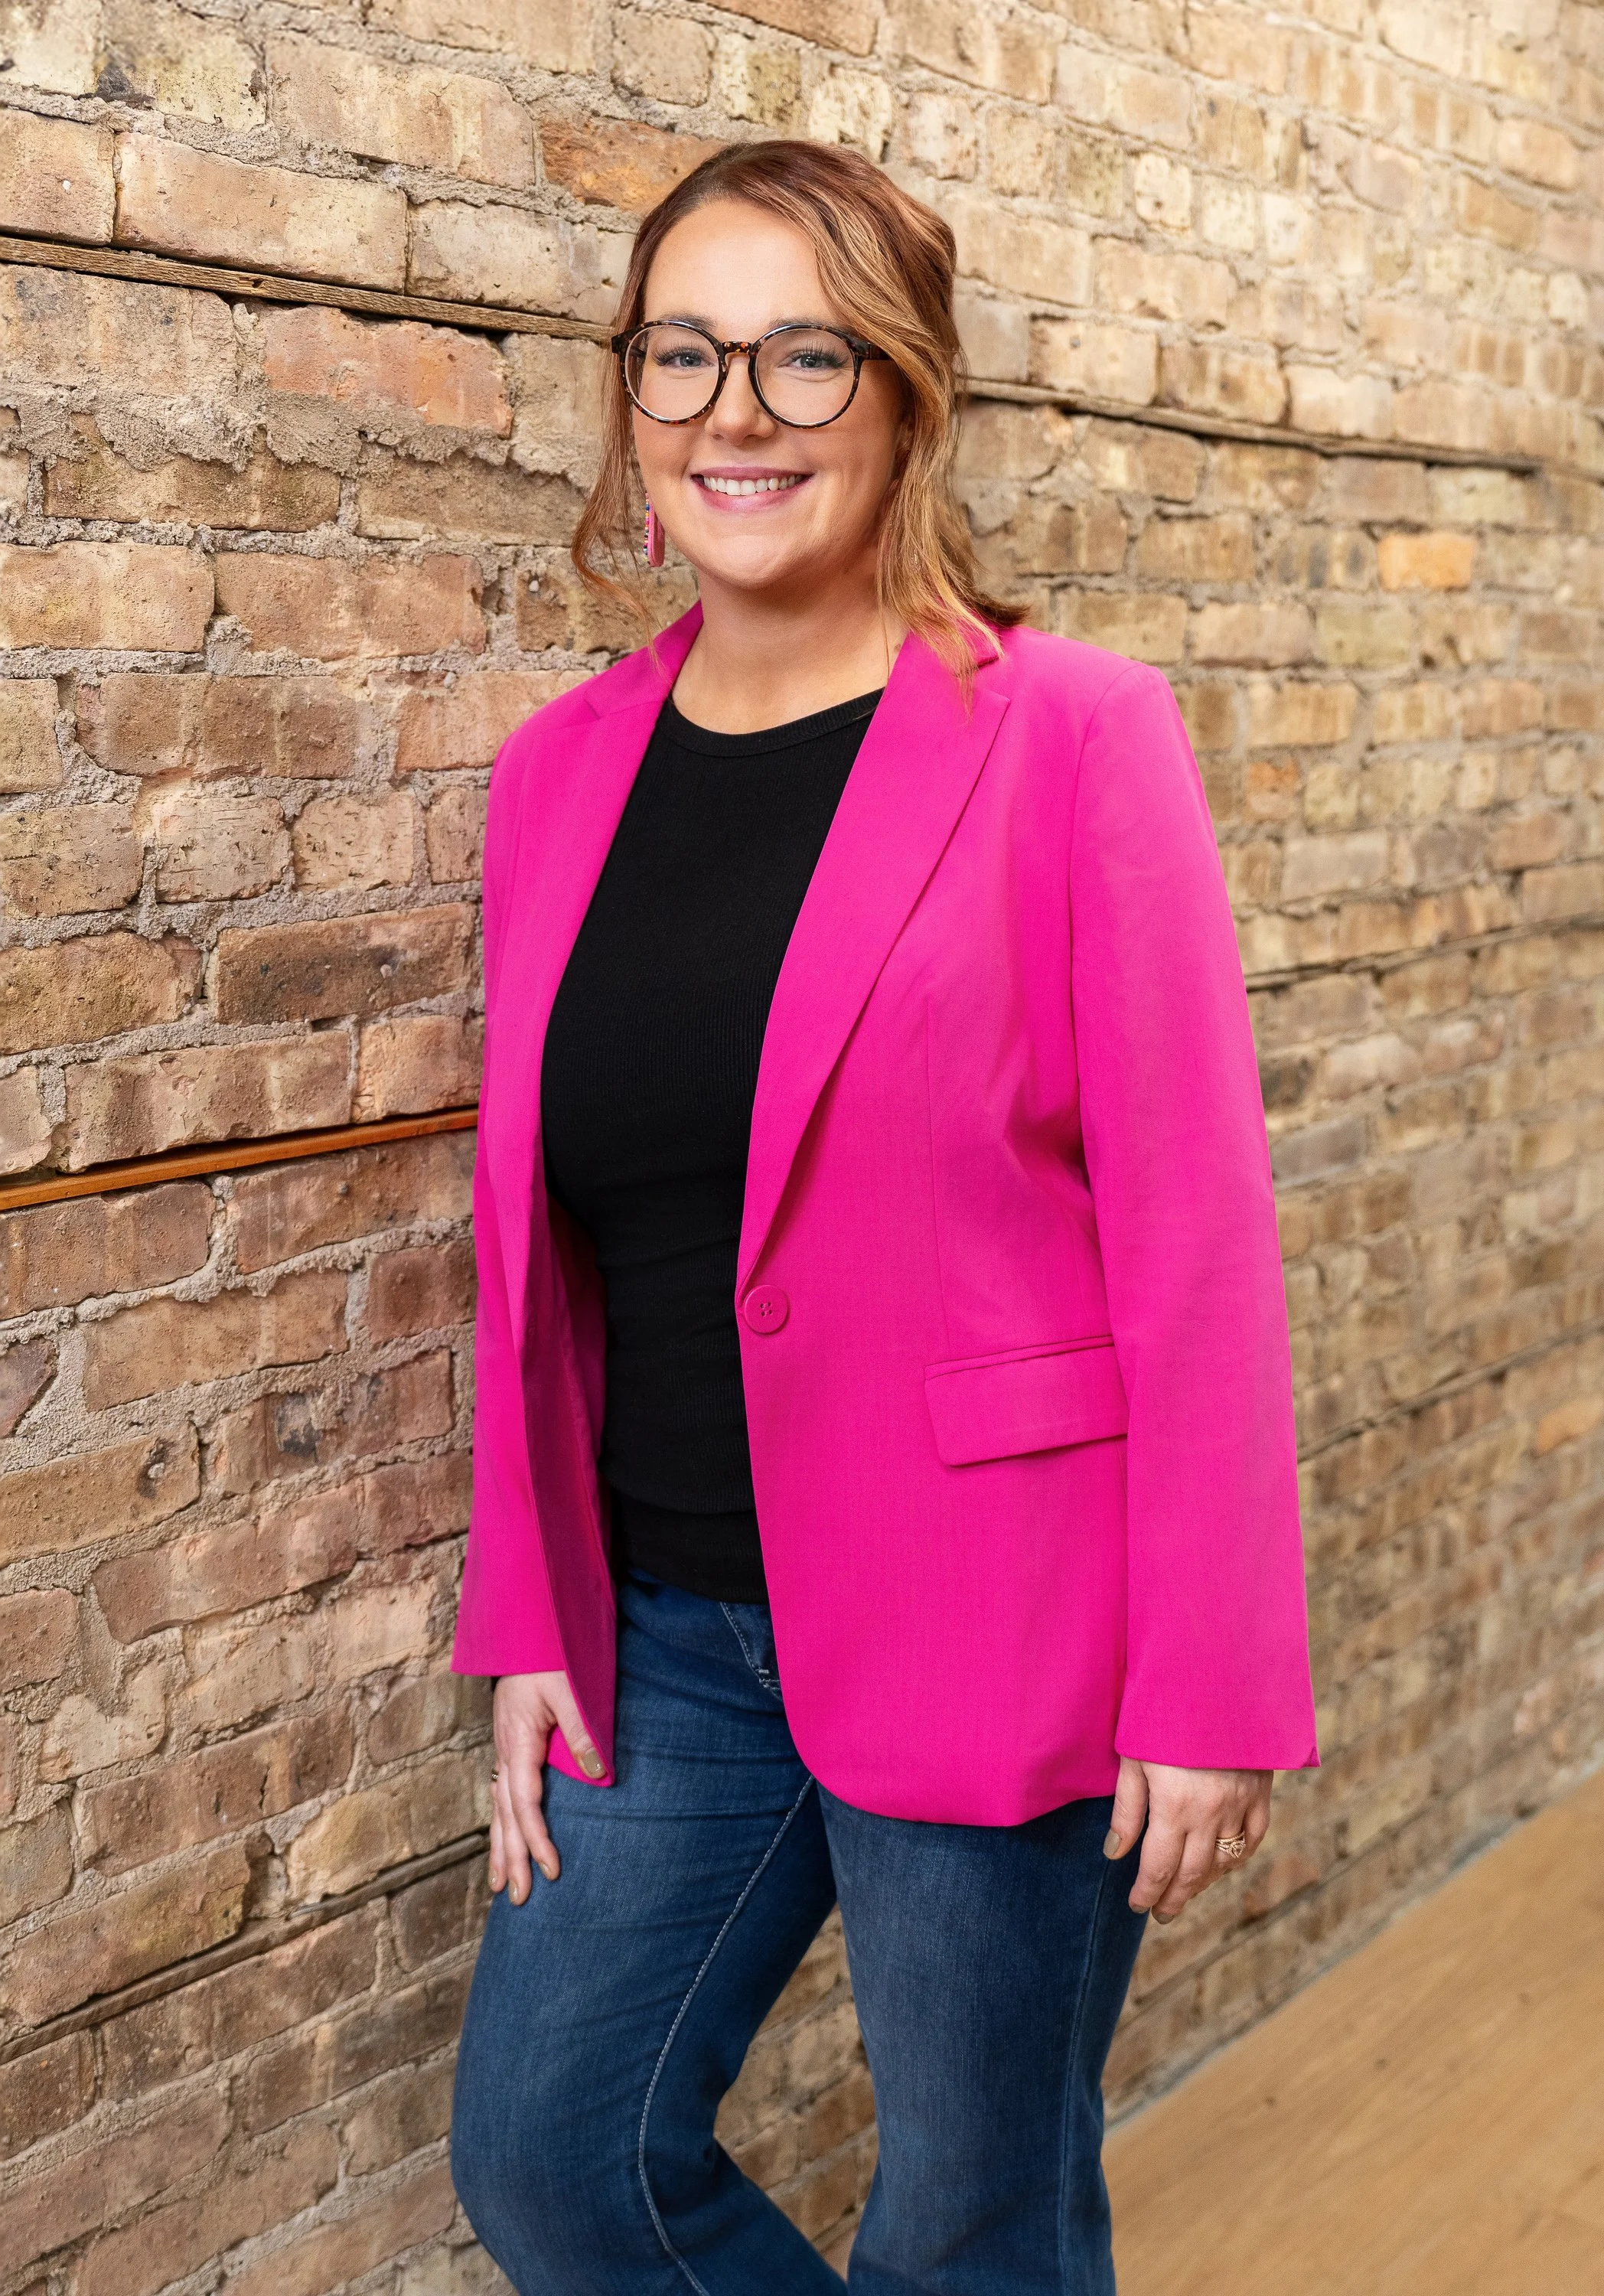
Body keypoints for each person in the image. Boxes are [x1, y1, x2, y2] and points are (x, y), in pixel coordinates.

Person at [445, 139, 1315, 2295]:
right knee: (558, 2158)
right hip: (662, 1640)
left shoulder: (1075, 739)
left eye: (807, 354)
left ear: (908, 396)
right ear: (628, 402)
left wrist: (1212, 1678)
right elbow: (534, 1250)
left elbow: (1197, 1234)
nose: (739, 412)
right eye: (687, 354)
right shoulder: (558, 772)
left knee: (971, 2226)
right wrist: (527, 1614)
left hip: (1005, 1622)